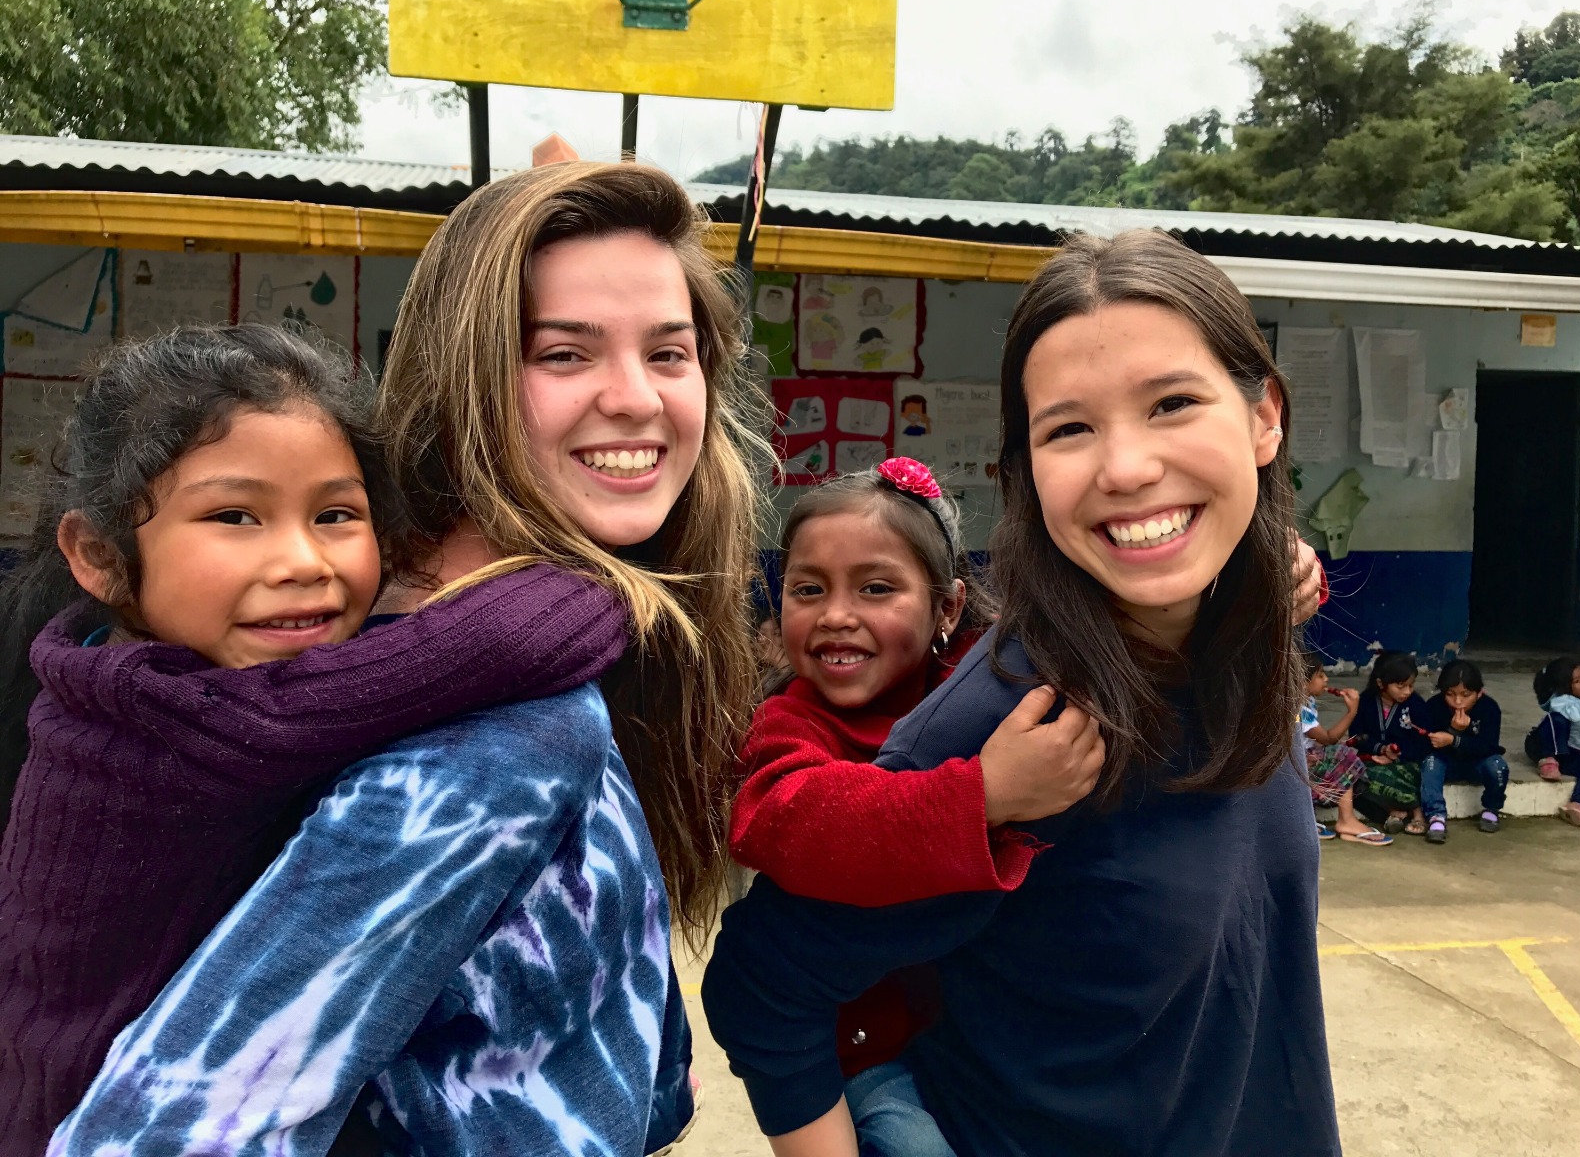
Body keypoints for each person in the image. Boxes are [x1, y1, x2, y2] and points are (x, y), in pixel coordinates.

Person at [51, 163, 769, 1155]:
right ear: (464, 375)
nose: (636, 398)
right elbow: (161, 1132)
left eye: (671, 353)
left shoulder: (471, 649)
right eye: (564, 355)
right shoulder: (496, 739)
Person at [703, 228, 1340, 1157]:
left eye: (1171, 403)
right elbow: (763, 987)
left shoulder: (1246, 639)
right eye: (1070, 428)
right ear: (1027, 473)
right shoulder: (1017, 736)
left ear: (1263, 417)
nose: (1125, 467)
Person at [0, 325, 627, 1155]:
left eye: (336, 514)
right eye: (234, 516)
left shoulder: (97, 665)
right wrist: (618, 575)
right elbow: (524, 637)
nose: (302, 560)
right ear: (98, 556)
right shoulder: (206, 724)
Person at [732, 457, 1105, 1156]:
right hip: (868, 1050)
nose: (837, 615)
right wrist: (983, 795)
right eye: (808, 589)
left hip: (978, 1030)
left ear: (950, 607)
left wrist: (1268, 580)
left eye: (876, 588)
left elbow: (1116, 626)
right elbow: (788, 819)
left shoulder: (985, 681)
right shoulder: (791, 723)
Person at [1302, 654, 1390, 846]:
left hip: (1303, 763)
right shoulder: (1298, 709)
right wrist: (1352, 712)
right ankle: (1346, 820)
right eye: (1320, 675)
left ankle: (1343, 820)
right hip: (1292, 769)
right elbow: (1327, 738)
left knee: (1342, 753)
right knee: (1342, 754)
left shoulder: (1307, 702)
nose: (1326, 679)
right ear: (1302, 682)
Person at [1420, 659, 1508, 841]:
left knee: (1498, 766)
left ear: (1479, 693)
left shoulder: (1489, 708)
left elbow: (1489, 746)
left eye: (1465, 695)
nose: (1457, 701)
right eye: (1450, 694)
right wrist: (1451, 731)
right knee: (1430, 763)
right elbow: (1426, 745)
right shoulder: (1435, 706)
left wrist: (1455, 738)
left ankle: (1492, 808)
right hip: (1446, 763)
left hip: (1477, 763)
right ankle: (1436, 815)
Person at [1347, 650, 1428, 837]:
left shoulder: (1416, 705)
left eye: (1411, 685)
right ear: (1381, 683)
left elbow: (1424, 742)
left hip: (1407, 763)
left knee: (1405, 774)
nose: (1407, 691)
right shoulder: (1366, 702)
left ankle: (1416, 811)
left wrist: (1397, 753)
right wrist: (1380, 749)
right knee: (1355, 777)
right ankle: (1394, 811)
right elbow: (1357, 736)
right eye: (1401, 686)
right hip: (1373, 760)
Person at [1532, 656, 1580, 827]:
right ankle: (1548, 760)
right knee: (1556, 720)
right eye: (1578, 680)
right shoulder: (1561, 701)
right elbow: (1576, 715)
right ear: (1565, 688)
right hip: (1560, 751)